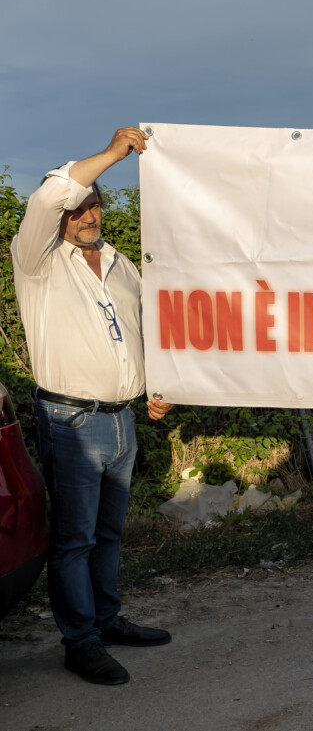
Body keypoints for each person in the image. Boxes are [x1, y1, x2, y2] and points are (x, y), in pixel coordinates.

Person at [12, 127, 175, 685]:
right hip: (70, 422)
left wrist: (156, 384)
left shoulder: (122, 266)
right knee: (75, 538)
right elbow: (45, 197)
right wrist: (110, 156)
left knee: (107, 535)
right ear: (59, 216)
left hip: (122, 420)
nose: (88, 214)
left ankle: (107, 621)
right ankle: (79, 641)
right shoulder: (36, 260)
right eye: (77, 206)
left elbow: (138, 333)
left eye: (95, 205)